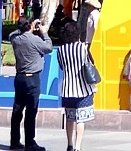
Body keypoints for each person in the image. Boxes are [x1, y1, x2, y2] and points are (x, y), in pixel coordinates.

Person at [8, 16, 52, 151]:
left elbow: (12, 33)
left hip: (19, 77)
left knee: (17, 110)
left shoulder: (15, 39)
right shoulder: (35, 40)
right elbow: (49, 47)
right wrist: (44, 32)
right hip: (32, 78)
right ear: (30, 26)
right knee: (31, 111)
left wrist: (28, 26)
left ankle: (15, 141)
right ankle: (30, 142)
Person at [56, 21, 95, 151]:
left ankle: (69, 144)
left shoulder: (61, 50)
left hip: (67, 88)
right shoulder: (83, 48)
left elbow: (62, 66)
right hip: (82, 87)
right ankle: (78, 146)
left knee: (69, 117)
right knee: (80, 118)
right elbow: (89, 65)